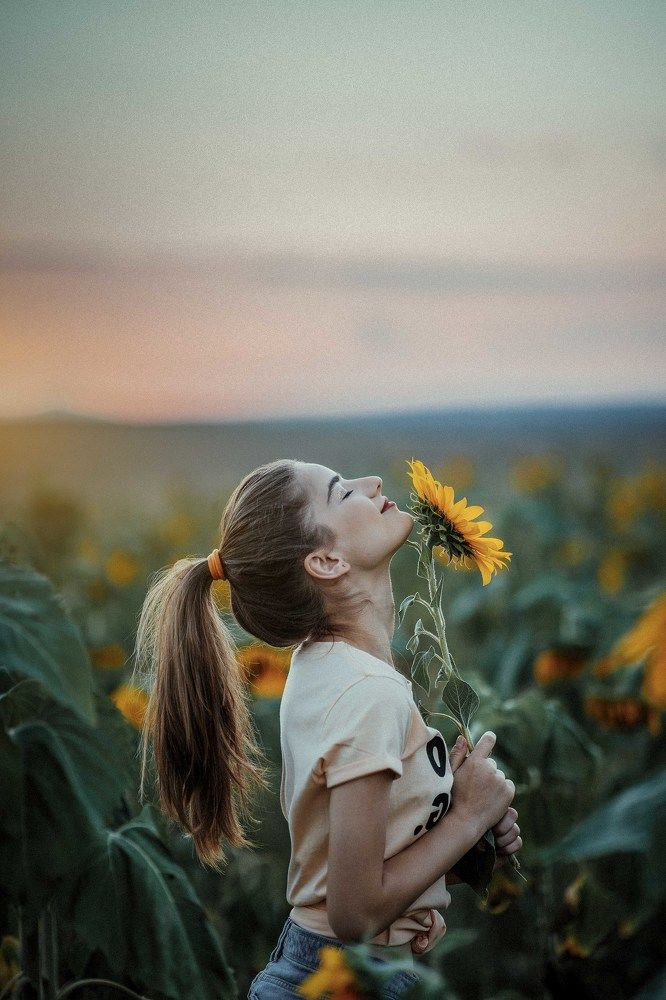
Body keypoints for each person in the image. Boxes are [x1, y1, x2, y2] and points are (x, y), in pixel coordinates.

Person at [132, 459, 522, 1000]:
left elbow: (357, 869)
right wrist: (467, 816)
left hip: (325, 968)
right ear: (325, 560)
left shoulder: (322, 666)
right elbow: (355, 911)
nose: (373, 484)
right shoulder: (368, 692)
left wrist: (461, 848)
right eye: (343, 491)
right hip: (350, 977)